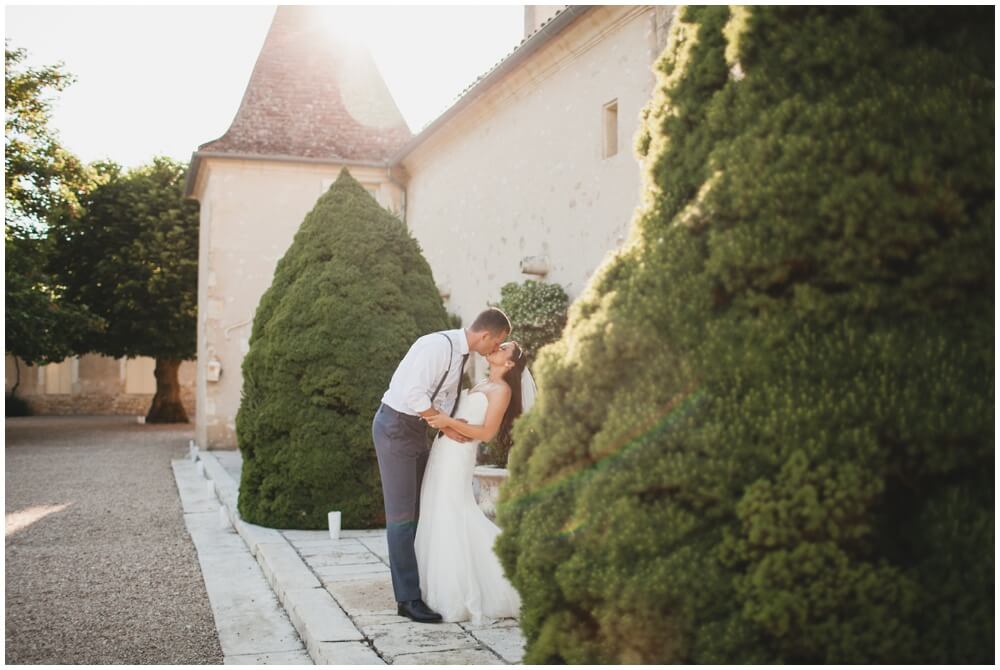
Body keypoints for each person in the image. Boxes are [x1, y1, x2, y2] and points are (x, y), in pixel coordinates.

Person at [372, 308, 511, 623]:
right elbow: (413, 393)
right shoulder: (437, 346)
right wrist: (445, 426)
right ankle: (407, 599)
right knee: (401, 516)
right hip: (395, 427)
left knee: (420, 511)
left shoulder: (462, 355)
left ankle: (420, 586)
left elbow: (444, 399)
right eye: (498, 342)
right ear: (488, 335)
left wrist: (442, 425)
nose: (496, 349)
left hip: (416, 428)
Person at [417, 340, 535, 624]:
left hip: (459, 454)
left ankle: (492, 581)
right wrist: (443, 422)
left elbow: (486, 433)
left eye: (505, 347)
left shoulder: (502, 391)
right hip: (442, 449)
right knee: (435, 510)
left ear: (509, 364)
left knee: (454, 512)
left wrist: (448, 422)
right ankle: (436, 587)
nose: (498, 346)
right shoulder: (481, 383)